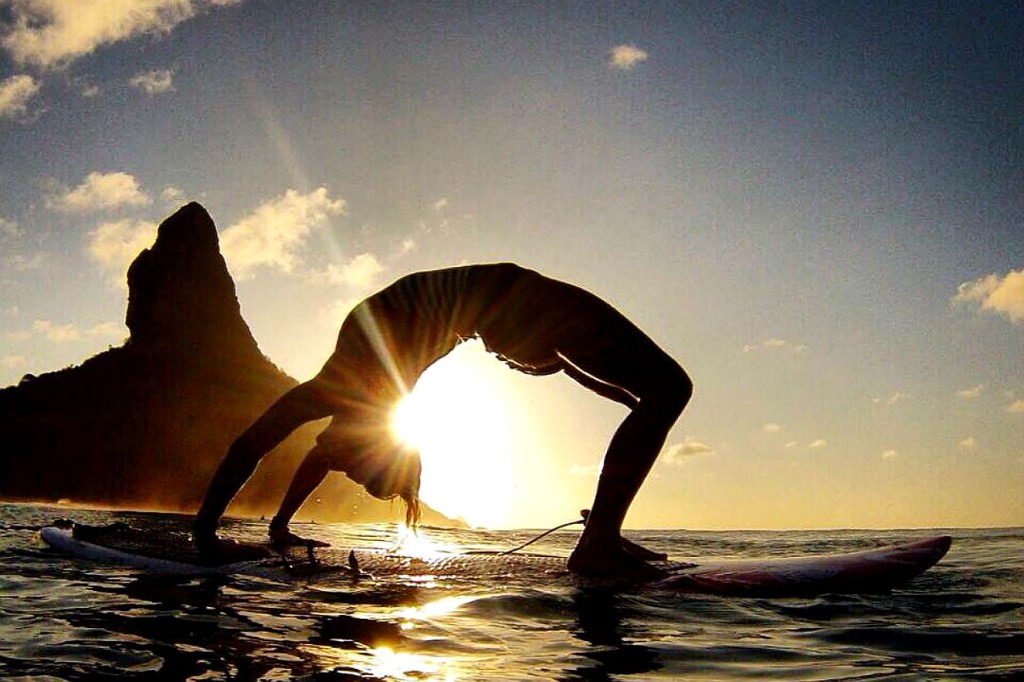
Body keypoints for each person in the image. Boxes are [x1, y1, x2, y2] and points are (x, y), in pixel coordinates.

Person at [193, 263, 692, 576]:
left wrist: (210, 532)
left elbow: (258, 444)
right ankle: (600, 537)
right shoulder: (365, 396)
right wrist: (267, 528)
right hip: (501, 301)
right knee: (663, 389)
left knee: (663, 389)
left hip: (502, 299)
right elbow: (305, 452)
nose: (340, 463)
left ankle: (600, 537)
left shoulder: (344, 392)